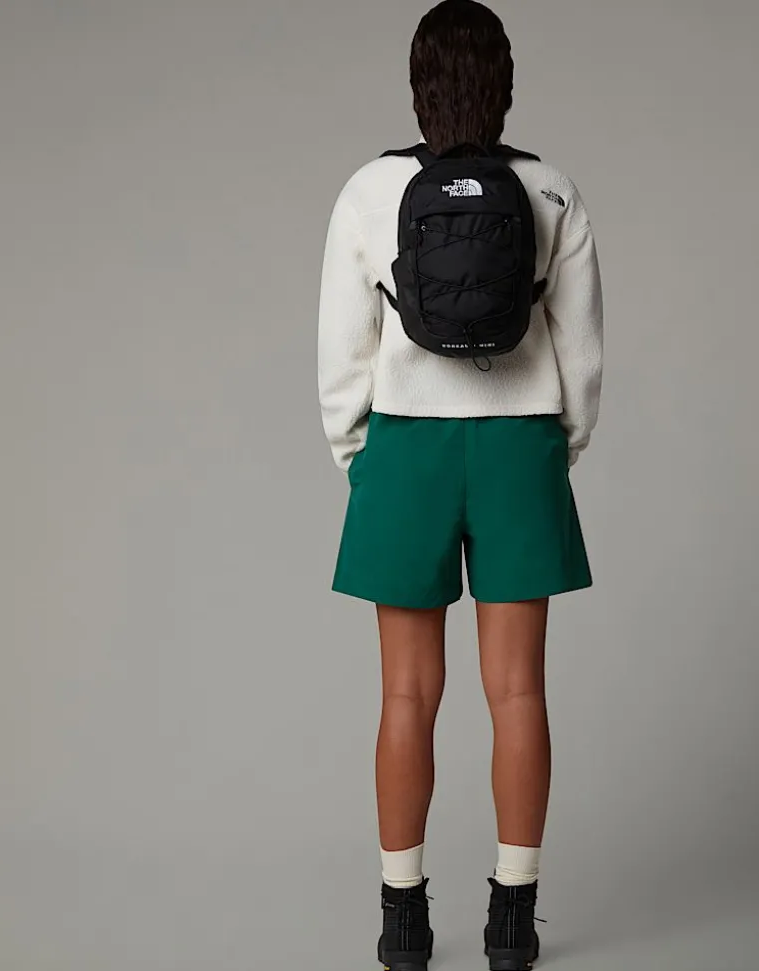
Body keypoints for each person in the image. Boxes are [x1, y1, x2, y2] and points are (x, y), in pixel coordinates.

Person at [316, 1, 603, 967]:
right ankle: (513, 919)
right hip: (521, 447)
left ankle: (403, 920)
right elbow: (584, 359)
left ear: (417, 86)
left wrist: (364, 460)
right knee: (518, 691)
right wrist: (552, 451)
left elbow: (341, 356)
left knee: (406, 693)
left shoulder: (369, 191)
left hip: (407, 451)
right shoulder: (552, 190)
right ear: (506, 86)